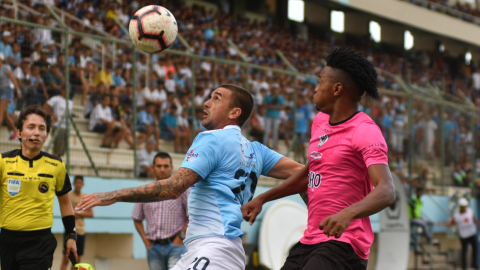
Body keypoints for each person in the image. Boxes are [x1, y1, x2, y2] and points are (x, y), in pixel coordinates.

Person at [75, 84, 304, 270]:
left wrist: (114, 194)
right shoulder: (257, 150)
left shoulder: (211, 138)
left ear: (234, 112)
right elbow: (306, 172)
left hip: (212, 250)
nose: (206, 102)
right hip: (219, 250)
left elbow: (173, 188)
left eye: (217, 98)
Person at [241, 47, 395, 270]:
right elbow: (310, 173)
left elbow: (387, 190)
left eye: (320, 81)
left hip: (344, 244)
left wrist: (347, 214)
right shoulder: (321, 122)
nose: (315, 88)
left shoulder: (365, 130)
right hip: (311, 239)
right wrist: (263, 198)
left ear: (337, 88)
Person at [0, 105, 78, 269]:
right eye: (31, 127)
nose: (37, 132)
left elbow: (65, 203)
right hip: (8, 241)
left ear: (46, 135)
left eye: (42, 128)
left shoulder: (56, 165)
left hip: (40, 243)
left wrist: (71, 235)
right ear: (20, 133)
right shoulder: (3, 162)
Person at [132, 152, 189, 270]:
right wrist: (146, 241)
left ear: (171, 168)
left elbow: (192, 216)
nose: (162, 169)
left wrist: (180, 237)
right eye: (159, 166)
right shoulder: (145, 191)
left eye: (166, 166)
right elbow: (136, 218)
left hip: (176, 246)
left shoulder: (181, 189)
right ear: (152, 168)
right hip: (154, 247)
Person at [60, 175, 93, 270]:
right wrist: (76, 214)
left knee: (77, 259)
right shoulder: (69, 195)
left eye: (80, 183)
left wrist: (78, 214)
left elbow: (90, 213)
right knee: (66, 258)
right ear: (73, 183)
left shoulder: (85, 197)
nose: (78, 185)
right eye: (76, 182)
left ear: (82, 184)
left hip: (81, 231)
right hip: (70, 230)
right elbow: (66, 211)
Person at [439, 198, 480, 270]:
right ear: (460, 207)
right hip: (463, 235)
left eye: (465, 206)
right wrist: (443, 223)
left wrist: (478, 225)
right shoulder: (456, 215)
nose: (464, 208)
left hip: (472, 233)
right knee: (464, 251)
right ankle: (464, 267)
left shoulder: (470, 211)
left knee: (475, 248)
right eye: (463, 206)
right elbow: (451, 223)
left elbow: (474, 219)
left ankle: (475, 265)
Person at [43, 87, 73, 157]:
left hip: (67, 127)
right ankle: (53, 165)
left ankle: (57, 165)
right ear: (61, 90)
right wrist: (53, 115)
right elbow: (45, 106)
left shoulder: (71, 102)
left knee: (62, 150)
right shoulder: (56, 99)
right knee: (57, 149)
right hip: (58, 125)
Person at [0, 52, 21, 131]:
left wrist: (18, 91)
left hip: (6, 91)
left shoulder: (5, 67)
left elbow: (13, 79)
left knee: (0, 112)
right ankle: (16, 132)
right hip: (1, 91)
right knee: (5, 115)